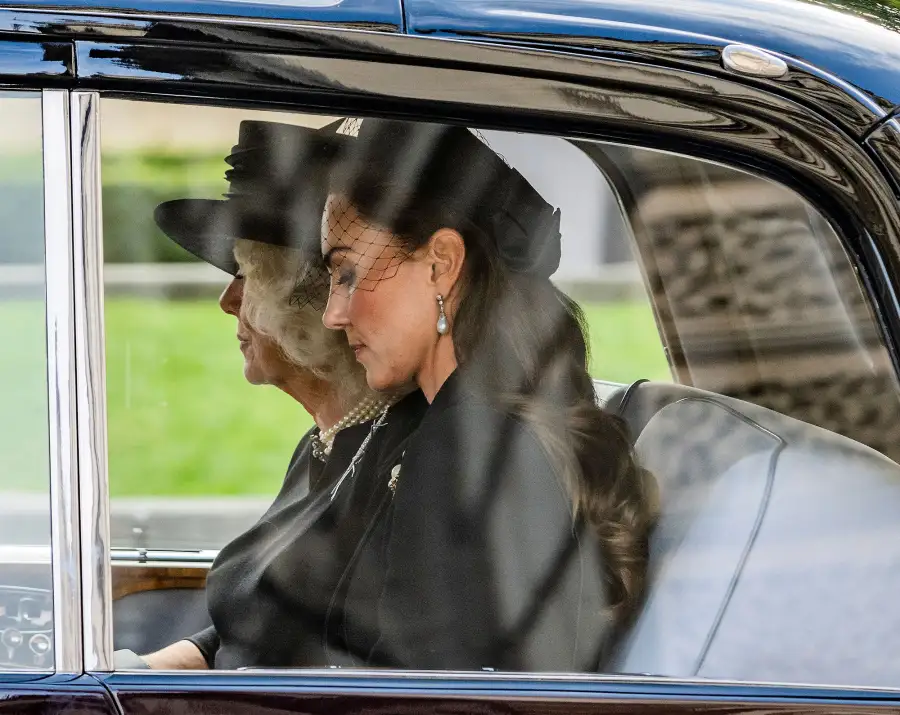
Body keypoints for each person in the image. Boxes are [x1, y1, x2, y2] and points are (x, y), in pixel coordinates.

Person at [319, 118, 657, 672]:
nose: (333, 314)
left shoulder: (465, 447)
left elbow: (425, 693)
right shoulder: (471, 429)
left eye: (348, 274)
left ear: (441, 264)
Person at [113, 119, 427, 670]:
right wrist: (137, 672)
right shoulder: (323, 442)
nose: (227, 301)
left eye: (247, 274)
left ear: (315, 304)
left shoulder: (409, 462)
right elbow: (255, 622)